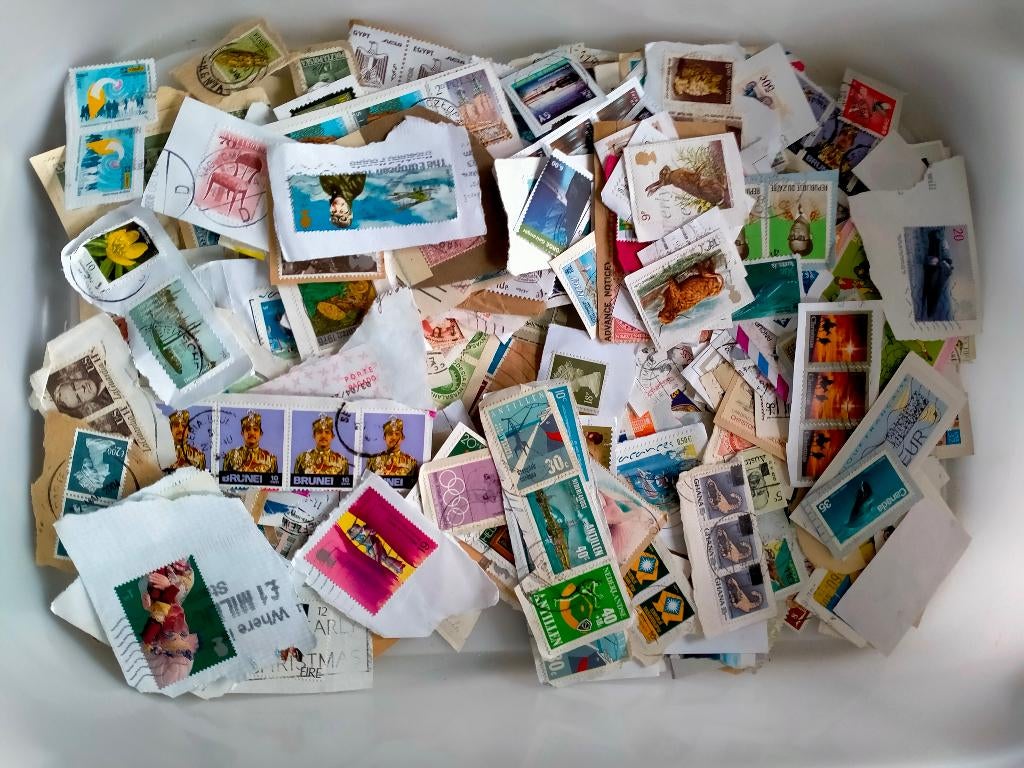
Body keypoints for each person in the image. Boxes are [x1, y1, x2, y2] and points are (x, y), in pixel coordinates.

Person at [139, 560, 199, 688]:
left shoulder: (185, 569)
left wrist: (168, 586)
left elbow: (184, 589)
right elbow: (150, 593)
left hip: (170, 618)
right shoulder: (152, 570)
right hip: (161, 617)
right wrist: (149, 604)